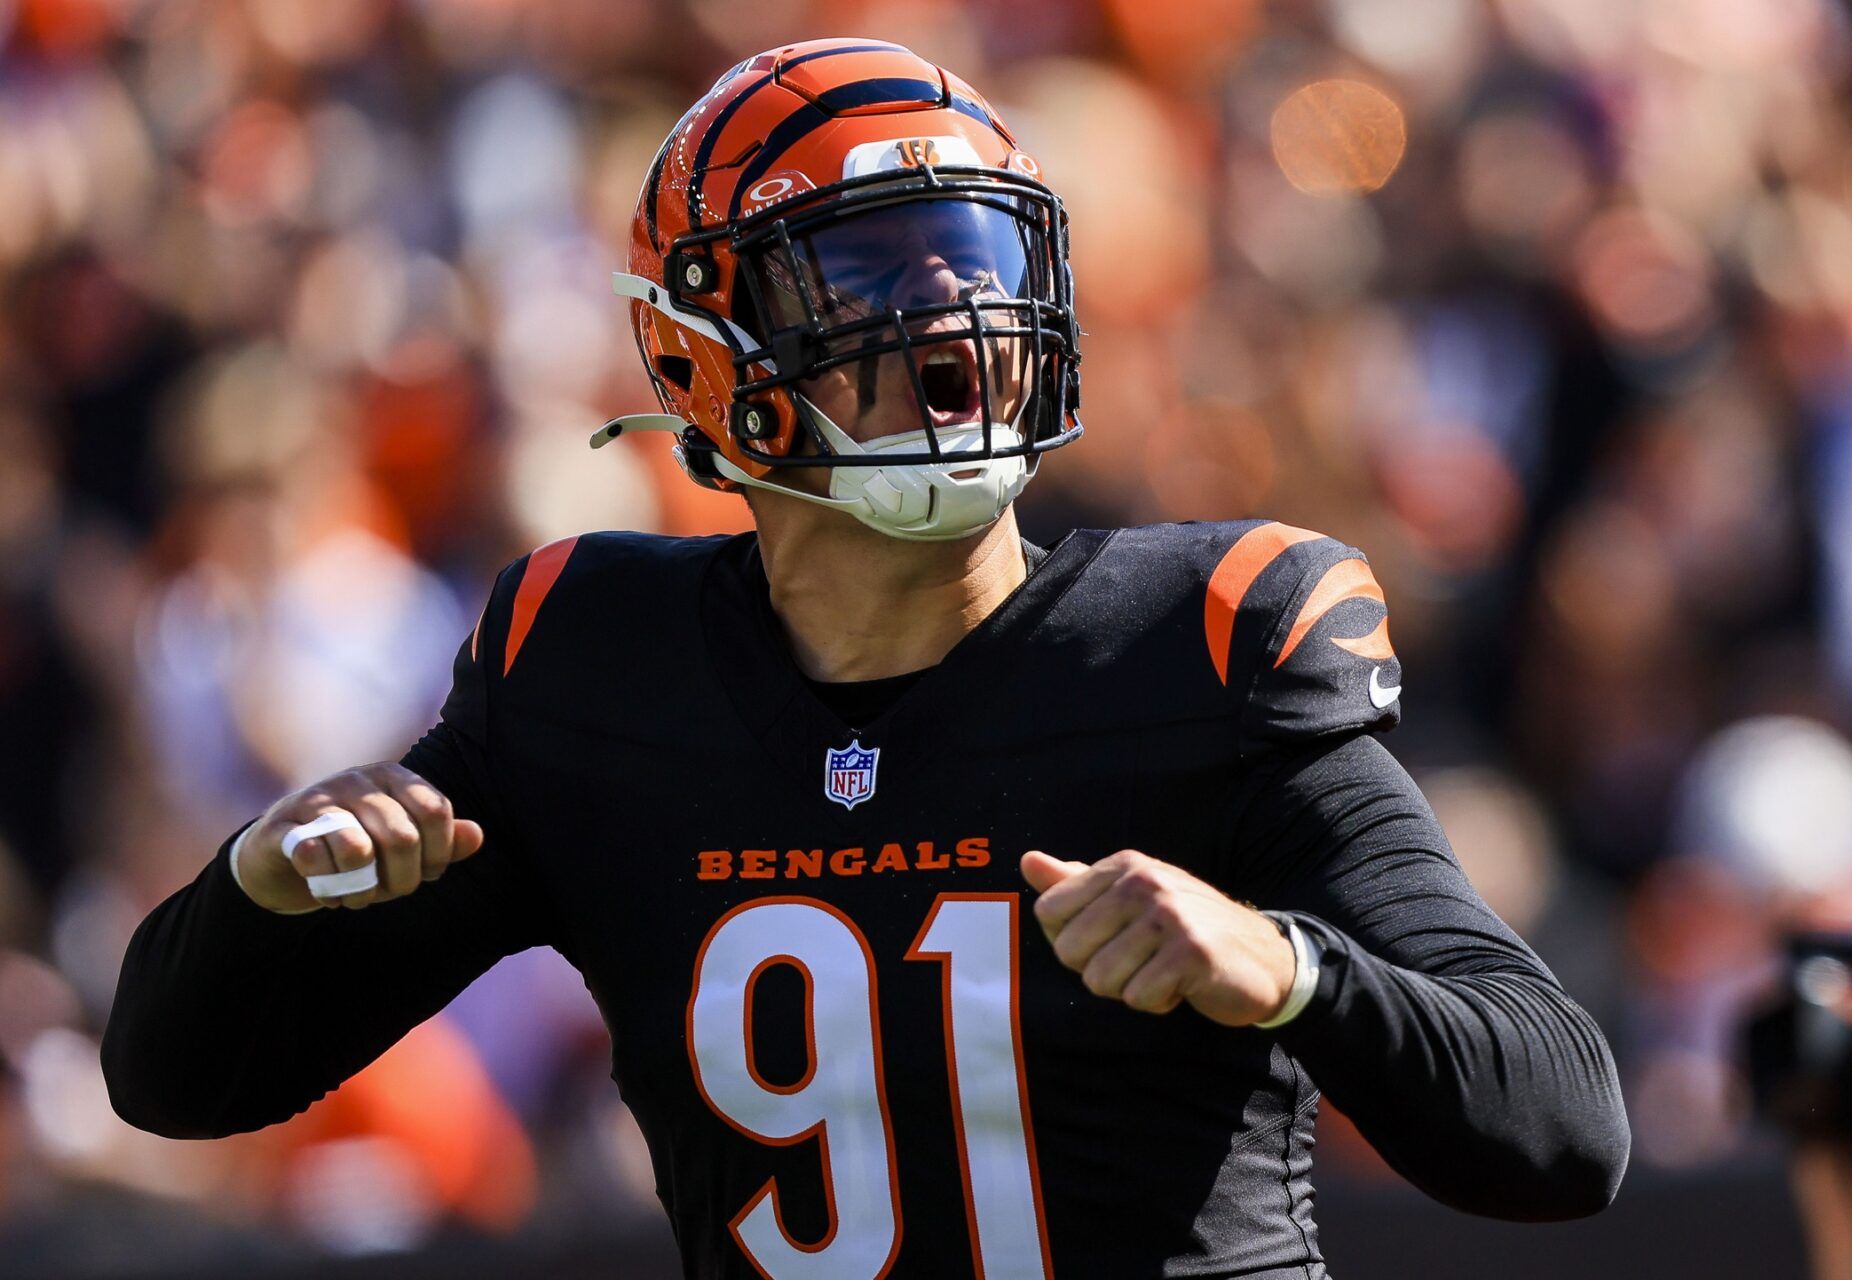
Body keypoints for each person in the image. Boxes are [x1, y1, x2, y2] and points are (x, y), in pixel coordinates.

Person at [102, 38, 1629, 1278]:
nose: (954, 309)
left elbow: (1563, 1124)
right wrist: (254, 896)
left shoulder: (1192, 653)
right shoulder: (595, 677)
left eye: (974, 254)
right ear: (708, 354)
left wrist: (1289, 970)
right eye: (873, 270)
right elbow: (177, 1081)